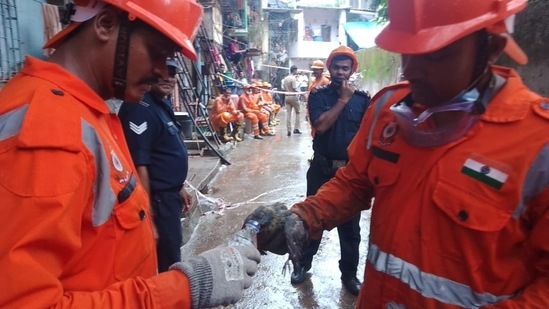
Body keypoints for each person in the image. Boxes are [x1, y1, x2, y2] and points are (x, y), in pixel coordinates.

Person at [253, 0, 549, 307]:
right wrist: (304, 217)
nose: (412, 70)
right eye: (408, 51)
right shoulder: (388, 111)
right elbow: (354, 182)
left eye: (435, 54)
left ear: (491, 48)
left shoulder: (538, 144)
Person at [0, 1, 260, 308]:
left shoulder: (89, 112)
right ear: (105, 25)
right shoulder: (49, 130)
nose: (163, 71)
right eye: (156, 52)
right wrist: (184, 288)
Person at [290, 46, 370, 297]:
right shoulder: (318, 95)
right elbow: (321, 126)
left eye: (345, 68)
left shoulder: (363, 100)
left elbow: (367, 136)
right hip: (321, 169)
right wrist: (342, 100)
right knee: (313, 220)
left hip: (349, 173)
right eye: (336, 67)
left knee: (350, 228)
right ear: (329, 68)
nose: (340, 72)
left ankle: (349, 274)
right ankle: (303, 264)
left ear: (352, 70)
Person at [118, 58, 190, 272]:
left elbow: (163, 153)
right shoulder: (139, 107)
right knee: (166, 261)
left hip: (168, 197)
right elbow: (140, 165)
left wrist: (180, 187)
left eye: (173, 73)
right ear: (151, 72)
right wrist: (148, 217)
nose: (169, 78)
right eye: (163, 72)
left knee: (171, 252)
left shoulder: (161, 104)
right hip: (156, 201)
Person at [305, 60, 331, 135]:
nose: (315, 71)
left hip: (320, 112)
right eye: (314, 69)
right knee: (313, 130)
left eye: (317, 69)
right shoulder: (313, 81)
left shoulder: (325, 81)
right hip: (311, 110)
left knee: (318, 131)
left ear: (322, 70)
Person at [283, 65, 302, 136]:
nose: (297, 72)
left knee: (288, 113)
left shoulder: (285, 78)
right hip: (292, 97)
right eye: (296, 71)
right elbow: (294, 88)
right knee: (298, 112)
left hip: (286, 96)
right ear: (294, 70)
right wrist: (300, 92)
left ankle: (289, 130)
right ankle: (296, 128)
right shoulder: (293, 78)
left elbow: (284, 88)